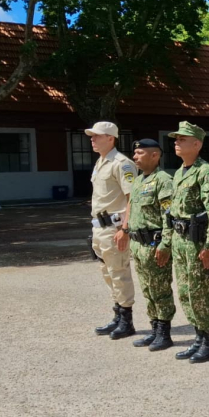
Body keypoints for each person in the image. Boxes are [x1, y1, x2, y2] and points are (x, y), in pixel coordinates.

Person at [167, 121, 209, 363]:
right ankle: (198, 337)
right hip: (180, 240)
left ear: (197, 144)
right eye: (176, 139)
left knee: (201, 292)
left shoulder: (205, 172)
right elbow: (172, 210)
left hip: (197, 242)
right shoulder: (178, 172)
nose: (176, 142)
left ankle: (208, 342)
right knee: (186, 292)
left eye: (182, 139)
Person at [119, 139, 175, 351]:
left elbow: (169, 215)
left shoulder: (163, 180)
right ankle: (154, 329)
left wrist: (165, 245)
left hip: (154, 244)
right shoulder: (139, 181)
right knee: (147, 289)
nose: (135, 157)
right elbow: (132, 210)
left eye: (140, 153)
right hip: (139, 245)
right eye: (134, 153)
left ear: (155, 155)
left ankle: (164, 333)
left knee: (160, 290)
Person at [88, 121, 137, 340]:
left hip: (115, 227)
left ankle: (127, 320)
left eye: (97, 136)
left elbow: (132, 199)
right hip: (100, 228)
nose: (92, 139)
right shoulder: (100, 163)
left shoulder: (122, 164)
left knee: (119, 273)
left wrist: (125, 229)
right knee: (107, 274)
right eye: (92, 136)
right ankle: (117, 315)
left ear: (111, 138)